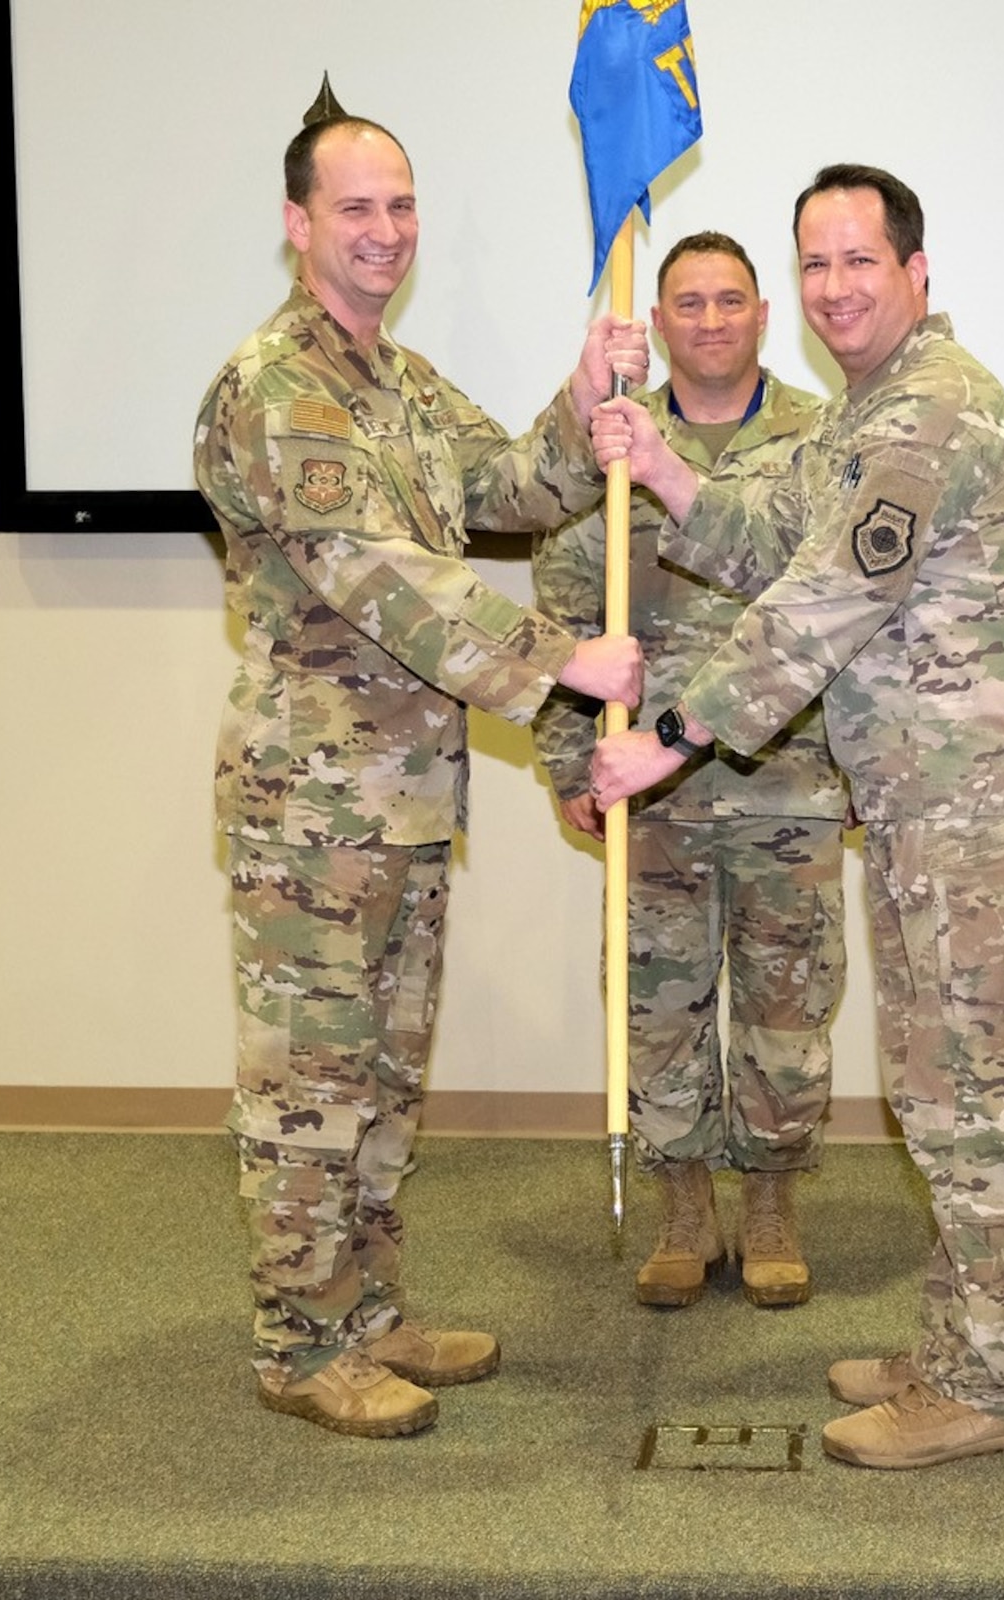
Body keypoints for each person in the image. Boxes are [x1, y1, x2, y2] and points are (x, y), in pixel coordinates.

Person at [586, 164, 1004, 1469]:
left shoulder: (930, 413)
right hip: (931, 813)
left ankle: (984, 1385)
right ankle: (957, 1346)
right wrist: (661, 468)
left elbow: (821, 608)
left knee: (974, 1103)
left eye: (858, 260)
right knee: (935, 1092)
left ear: (917, 272)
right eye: (814, 264)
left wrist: (672, 740)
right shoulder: (869, 415)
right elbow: (778, 531)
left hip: (982, 824)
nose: (834, 287)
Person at [194, 101, 647, 1439]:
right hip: (316, 810)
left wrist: (585, 408)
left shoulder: (399, 378)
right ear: (298, 226)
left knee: (384, 1082)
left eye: (400, 206)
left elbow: (504, 489)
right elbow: (389, 581)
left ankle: (369, 1313)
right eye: (355, 210)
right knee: (309, 1085)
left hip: (402, 802)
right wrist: (565, 656)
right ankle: (298, 1342)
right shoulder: (279, 388)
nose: (385, 233)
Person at [531, 232, 845, 1309]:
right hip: (649, 789)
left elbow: (847, 615)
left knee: (785, 1001)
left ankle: (768, 1199)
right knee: (657, 1001)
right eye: (687, 305)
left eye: (728, 302)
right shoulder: (616, 443)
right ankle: (680, 1204)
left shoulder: (820, 438)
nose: (709, 322)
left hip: (788, 777)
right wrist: (570, 757)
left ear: (764, 315)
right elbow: (567, 613)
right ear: (655, 324)